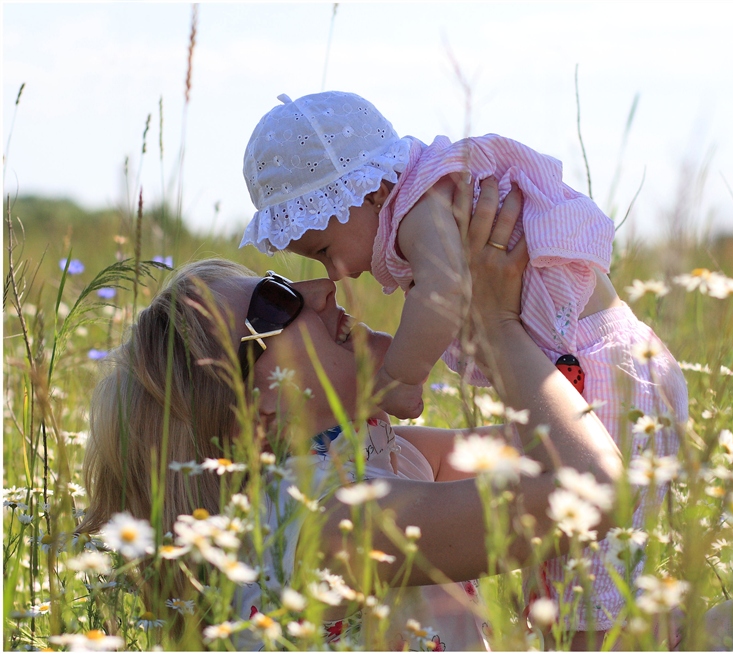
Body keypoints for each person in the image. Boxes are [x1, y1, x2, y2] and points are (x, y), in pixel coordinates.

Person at [77, 186, 624, 650]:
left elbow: (577, 440)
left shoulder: (372, 456)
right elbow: (592, 490)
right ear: (254, 408)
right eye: (275, 303)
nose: (320, 289)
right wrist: (499, 325)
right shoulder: (327, 523)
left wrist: (553, 297)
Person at [239, 90, 689, 644]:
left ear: (372, 190)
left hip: (599, 368)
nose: (333, 276)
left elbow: (445, 290)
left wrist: (403, 380)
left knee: (592, 604)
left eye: (326, 248)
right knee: (588, 585)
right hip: (603, 367)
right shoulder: (326, 509)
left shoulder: (419, 208)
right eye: (277, 302)